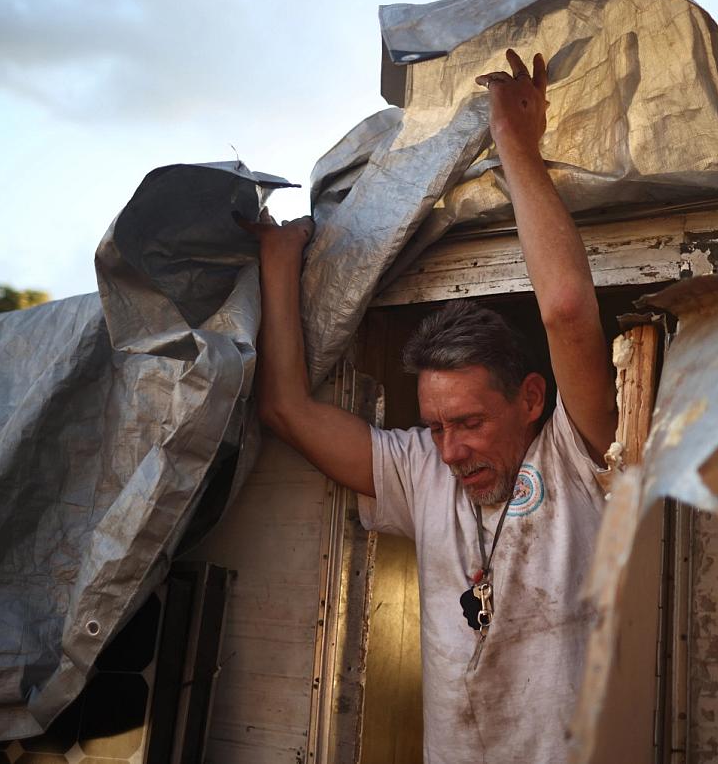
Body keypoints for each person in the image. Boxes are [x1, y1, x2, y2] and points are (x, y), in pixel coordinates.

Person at [239, 50, 617, 763]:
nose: (450, 451)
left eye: (470, 423)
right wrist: (278, 259)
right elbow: (285, 409)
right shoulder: (422, 471)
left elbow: (567, 311)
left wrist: (514, 143)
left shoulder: (579, 453)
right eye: (437, 426)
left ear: (531, 399)